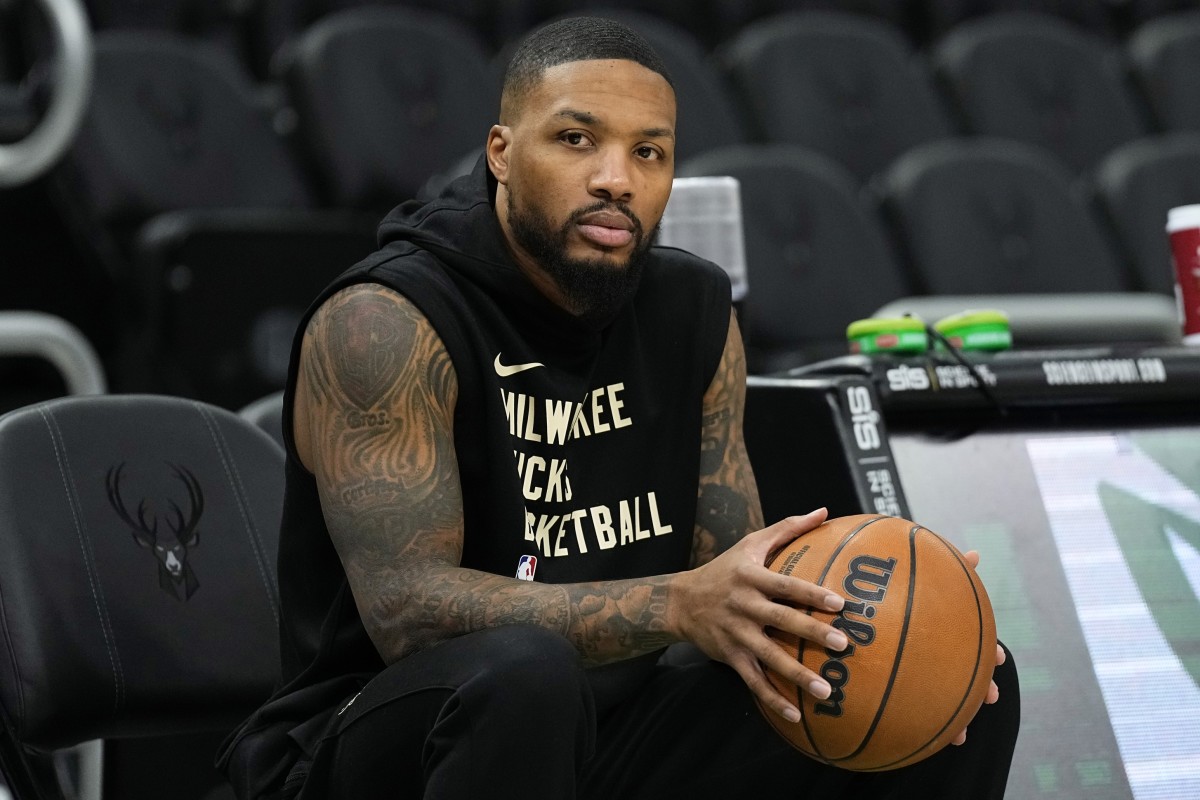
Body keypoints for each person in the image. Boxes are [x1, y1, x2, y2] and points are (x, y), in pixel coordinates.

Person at [219, 15, 1019, 800]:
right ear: (500, 154)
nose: (616, 178)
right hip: (375, 743)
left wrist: (900, 605)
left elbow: (735, 573)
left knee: (945, 681)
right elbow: (405, 612)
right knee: (524, 672)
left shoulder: (694, 310)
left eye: (649, 152)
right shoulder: (388, 319)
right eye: (576, 140)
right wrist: (678, 603)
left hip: (609, 730)